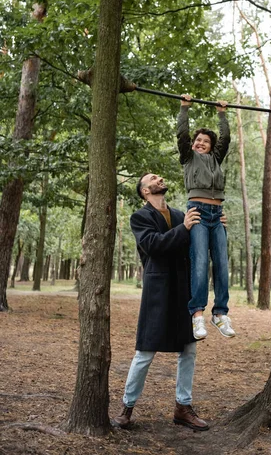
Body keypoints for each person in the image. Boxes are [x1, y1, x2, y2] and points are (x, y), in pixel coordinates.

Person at [113, 172, 209, 431]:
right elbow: (153, 245)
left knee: (188, 349)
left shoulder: (180, 215)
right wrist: (185, 228)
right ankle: (127, 407)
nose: (160, 179)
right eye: (153, 178)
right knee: (144, 351)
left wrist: (215, 224)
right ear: (145, 191)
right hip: (157, 291)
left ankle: (183, 408)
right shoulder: (140, 217)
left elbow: (199, 246)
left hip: (183, 290)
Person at [177, 94, 235, 341]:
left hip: (217, 215)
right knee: (200, 263)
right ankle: (197, 315)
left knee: (221, 264)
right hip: (198, 213)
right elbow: (181, 135)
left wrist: (222, 114)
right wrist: (184, 109)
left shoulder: (216, 159)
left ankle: (220, 313)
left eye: (205, 141)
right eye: (197, 140)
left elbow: (226, 138)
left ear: (211, 147)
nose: (200, 143)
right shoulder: (188, 158)